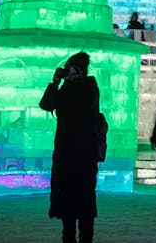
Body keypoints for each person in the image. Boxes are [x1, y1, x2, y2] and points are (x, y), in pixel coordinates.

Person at [39, 51, 100, 243]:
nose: (69, 71)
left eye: (73, 68)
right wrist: (55, 82)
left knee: (84, 204)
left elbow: (85, 104)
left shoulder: (89, 87)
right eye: (68, 68)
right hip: (65, 152)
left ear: (81, 70)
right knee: (66, 207)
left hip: (84, 154)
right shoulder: (64, 89)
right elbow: (46, 105)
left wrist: (75, 81)